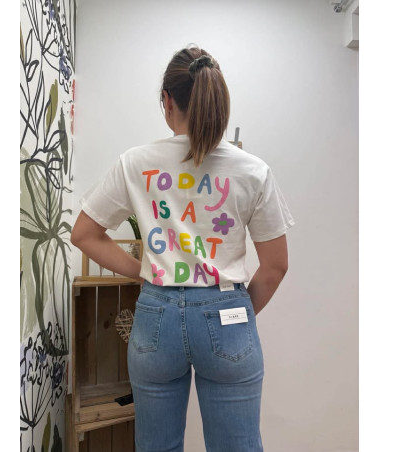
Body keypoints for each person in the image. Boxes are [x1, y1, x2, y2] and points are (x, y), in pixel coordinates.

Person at [71, 45, 295, 452]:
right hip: (226, 311)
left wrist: (142, 271)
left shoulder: (136, 162)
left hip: (157, 315)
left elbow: (84, 234)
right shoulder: (252, 170)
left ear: (168, 101)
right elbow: (275, 266)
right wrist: (234, 315)